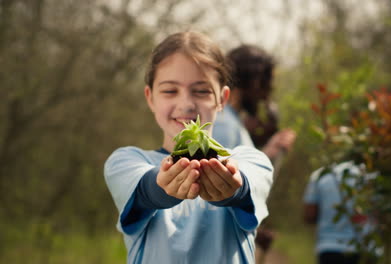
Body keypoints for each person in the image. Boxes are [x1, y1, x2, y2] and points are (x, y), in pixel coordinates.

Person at [104, 31, 274, 264]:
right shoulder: (126, 162)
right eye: (170, 90)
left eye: (202, 90)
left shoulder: (251, 160)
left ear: (222, 99)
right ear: (150, 97)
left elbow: (245, 186)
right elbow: (146, 190)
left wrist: (231, 187)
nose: (185, 103)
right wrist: (163, 186)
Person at [212, 44, 296, 263]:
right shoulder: (225, 126)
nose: (267, 95)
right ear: (253, 82)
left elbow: (233, 176)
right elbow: (213, 197)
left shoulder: (229, 123)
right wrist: (255, 230)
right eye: (266, 85)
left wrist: (268, 151)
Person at [303, 160, 376, 264]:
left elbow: (309, 216)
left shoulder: (320, 175)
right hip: (365, 249)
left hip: (329, 248)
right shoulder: (371, 176)